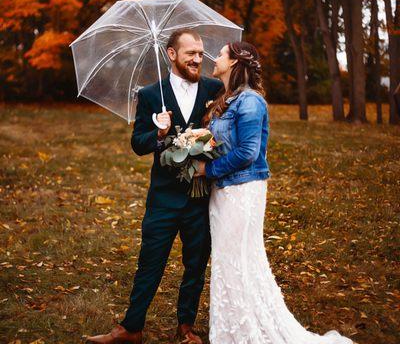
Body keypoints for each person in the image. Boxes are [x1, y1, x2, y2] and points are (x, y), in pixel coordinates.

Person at [195, 41, 355, 344]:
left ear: (234, 63)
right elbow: (223, 143)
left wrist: (209, 170)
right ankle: (232, 328)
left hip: (242, 190)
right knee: (227, 261)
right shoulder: (225, 99)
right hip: (224, 192)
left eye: (220, 54)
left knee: (240, 260)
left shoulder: (250, 102)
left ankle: (246, 333)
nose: (213, 58)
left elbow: (248, 152)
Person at [87, 29, 223, 344]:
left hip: (200, 196)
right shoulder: (150, 94)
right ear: (172, 54)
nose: (198, 59)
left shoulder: (214, 89)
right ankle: (131, 328)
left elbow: (223, 133)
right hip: (163, 197)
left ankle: (186, 327)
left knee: (196, 264)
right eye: (191, 53)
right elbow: (138, 144)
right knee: (150, 261)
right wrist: (159, 134)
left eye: (201, 54)